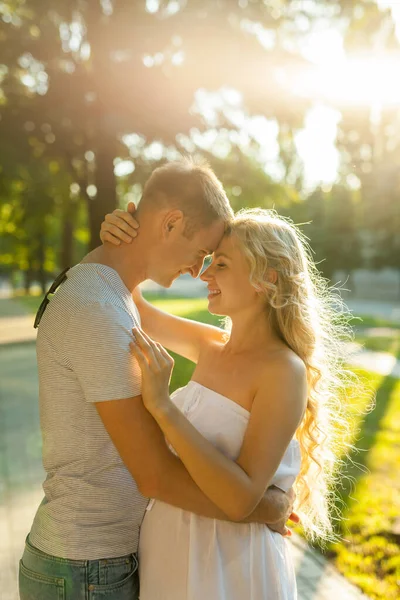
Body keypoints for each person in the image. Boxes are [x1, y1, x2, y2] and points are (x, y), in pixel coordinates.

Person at [19, 161, 297, 600]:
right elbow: (155, 476)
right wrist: (268, 507)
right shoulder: (99, 309)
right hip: (89, 567)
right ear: (171, 222)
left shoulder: (111, 301)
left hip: (129, 562)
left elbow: (134, 300)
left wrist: (123, 235)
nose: (200, 270)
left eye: (218, 262)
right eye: (206, 253)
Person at [101, 203, 351, 599]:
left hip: (227, 565)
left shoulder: (283, 372)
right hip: (168, 552)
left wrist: (163, 408)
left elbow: (239, 499)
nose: (204, 275)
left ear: (265, 279)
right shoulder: (210, 345)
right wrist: (124, 237)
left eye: (221, 265)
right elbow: (138, 311)